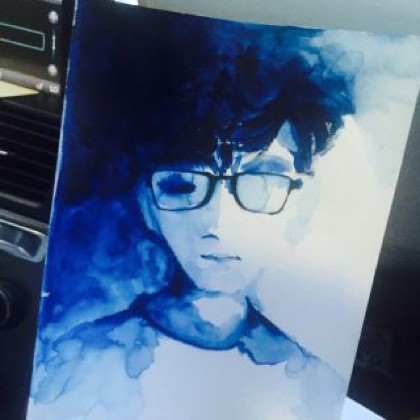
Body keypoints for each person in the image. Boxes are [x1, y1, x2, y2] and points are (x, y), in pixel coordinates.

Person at [28, 2, 357, 419]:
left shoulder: (314, 386)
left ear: (299, 202)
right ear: (148, 206)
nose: (217, 224)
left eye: (258, 182)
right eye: (183, 185)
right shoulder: (73, 366)